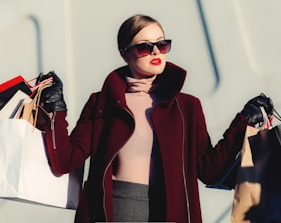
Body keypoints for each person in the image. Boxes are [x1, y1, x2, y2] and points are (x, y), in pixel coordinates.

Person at [36, 14, 274, 222]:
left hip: (170, 212)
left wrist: (243, 122)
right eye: (144, 47)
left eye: (162, 44)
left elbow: (208, 170)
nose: (155, 52)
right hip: (113, 212)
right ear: (124, 54)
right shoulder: (102, 103)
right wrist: (56, 109)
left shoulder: (187, 107)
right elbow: (65, 161)